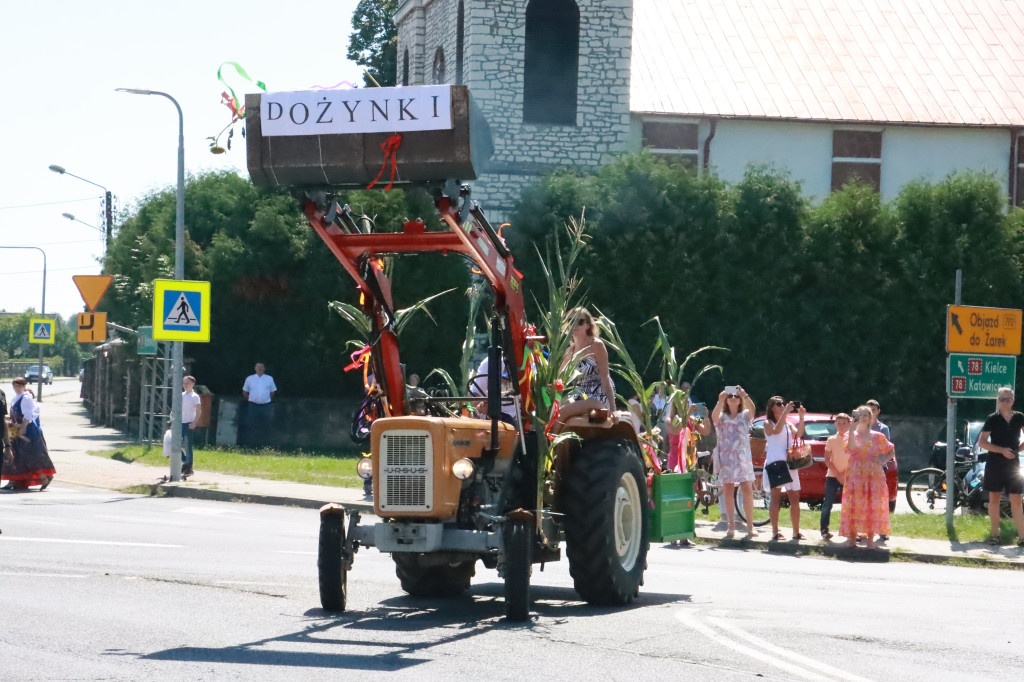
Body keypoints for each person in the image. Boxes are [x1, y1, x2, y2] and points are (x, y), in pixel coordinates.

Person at [839, 405, 894, 549]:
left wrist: (883, 460)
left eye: (866, 415)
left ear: (871, 418)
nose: (863, 418)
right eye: (860, 415)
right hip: (855, 475)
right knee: (854, 505)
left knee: (872, 506)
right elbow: (850, 449)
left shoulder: (878, 436)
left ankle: (870, 540)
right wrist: (851, 430)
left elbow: (891, 450)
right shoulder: (850, 434)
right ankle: (852, 539)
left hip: (873, 476)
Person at [976, 387, 1024, 547]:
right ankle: (995, 535)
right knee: (994, 498)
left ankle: (1022, 537)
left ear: (1013, 400)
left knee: (1016, 499)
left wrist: (1017, 450)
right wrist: (1001, 450)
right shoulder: (993, 419)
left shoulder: (1019, 417)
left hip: (1013, 464)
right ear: (997, 401)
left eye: (1008, 399)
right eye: (1002, 399)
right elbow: (982, 442)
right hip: (995, 463)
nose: (1005, 402)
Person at [555, 307, 616, 427]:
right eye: (571, 321)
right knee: (556, 409)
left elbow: (605, 376)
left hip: (598, 395)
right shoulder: (569, 352)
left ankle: (550, 444)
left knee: (563, 412)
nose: (575, 325)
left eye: (580, 322)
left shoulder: (596, 345)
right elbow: (558, 379)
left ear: (588, 325)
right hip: (579, 395)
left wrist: (613, 408)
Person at [711, 385, 758, 538]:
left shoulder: (744, 415)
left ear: (739, 400)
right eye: (730, 396)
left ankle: (750, 526)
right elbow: (714, 418)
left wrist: (745, 396)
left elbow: (752, 411)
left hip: (743, 458)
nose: (732, 398)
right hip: (727, 458)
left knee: (747, 489)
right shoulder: (723, 416)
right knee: (729, 490)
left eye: (735, 397)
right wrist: (719, 400)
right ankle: (731, 526)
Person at [763, 396, 805, 541]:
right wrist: (786, 413)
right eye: (778, 404)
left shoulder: (787, 423)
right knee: (776, 497)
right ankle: (775, 532)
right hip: (776, 462)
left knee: (794, 497)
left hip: (789, 463)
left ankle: (796, 531)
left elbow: (799, 433)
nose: (782, 406)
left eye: (783, 403)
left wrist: (801, 417)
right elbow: (775, 431)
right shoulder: (767, 423)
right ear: (771, 408)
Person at [2, 377, 55, 491]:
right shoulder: (16, 398)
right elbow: (15, 414)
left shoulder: (26, 397)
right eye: (15, 386)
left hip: (28, 431)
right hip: (17, 430)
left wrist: (22, 430)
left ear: (24, 386)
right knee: (17, 456)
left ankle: (44, 477)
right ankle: (13, 480)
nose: (17, 388)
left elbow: (28, 416)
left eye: (20, 386)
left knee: (31, 456)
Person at [820, 412, 851, 541]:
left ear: (849, 424)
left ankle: (850, 530)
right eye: (839, 423)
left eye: (844, 423)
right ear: (835, 424)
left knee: (849, 505)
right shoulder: (831, 439)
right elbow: (827, 459)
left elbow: (855, 459)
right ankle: (824, 529)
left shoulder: (852, 439)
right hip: (833, 476)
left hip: (849, 476)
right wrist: (838, 474)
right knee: (828, 503)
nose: (842, 425)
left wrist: (845, 474)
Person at [866, 398, 893, 540]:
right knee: (864, 501)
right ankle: (864, 530)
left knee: (879, 500)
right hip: (863, 469)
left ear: (878, 412)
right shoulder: (860, 427)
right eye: (868, 409)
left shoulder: (883, 429)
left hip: (878, 468)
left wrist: (882, 460)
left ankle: (882, 531)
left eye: (873, 410)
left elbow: (888, 448)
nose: (871, 412)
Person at [241, 362, 277, 447]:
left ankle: (266, 446)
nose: (260, 369)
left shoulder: (269, 379)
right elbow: (245, 392)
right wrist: (251, 400)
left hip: (266, 406)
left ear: (264, 368)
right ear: (255, 368)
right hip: (253, 406)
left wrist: (266, 400)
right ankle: (250, 445)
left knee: (266, 425)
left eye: (261, 367)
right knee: (252, 424)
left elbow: (272, 392)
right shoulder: (249, 379)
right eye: (258, 367)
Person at [181, 375, 202, 475]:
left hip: (188, 423)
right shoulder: (181, 395)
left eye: (187, 383)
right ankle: (184, 461)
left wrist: (194, 422)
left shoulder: (195, 396)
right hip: (180, 423)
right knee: (174, 443)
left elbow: (198, 411)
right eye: (184, 383)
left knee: (187, 446)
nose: (185, 385)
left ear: (192, 384)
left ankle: (189, 467)